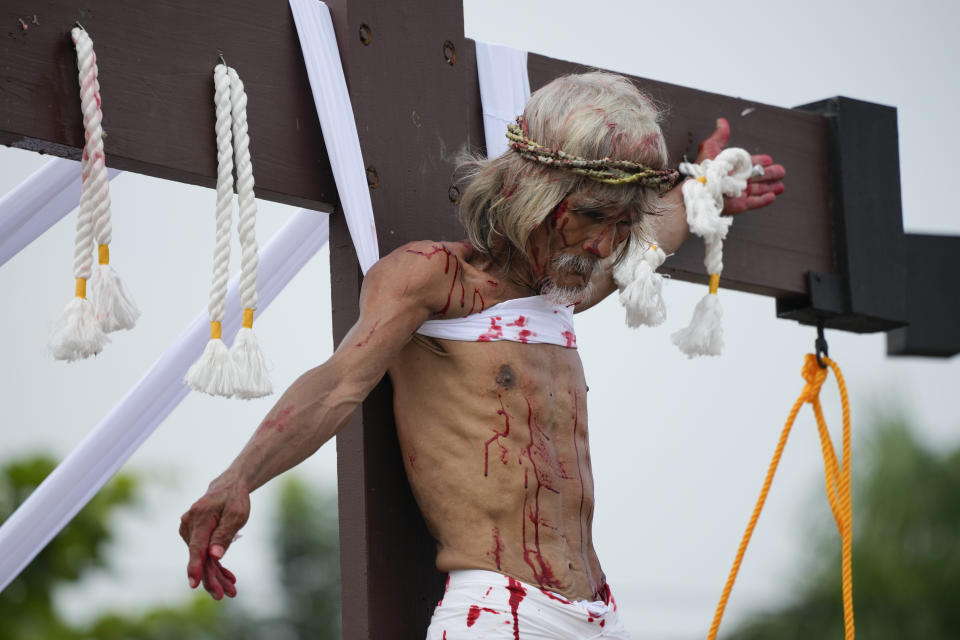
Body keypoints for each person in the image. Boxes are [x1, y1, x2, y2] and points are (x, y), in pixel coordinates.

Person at [179, 71, 785, 638]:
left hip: (600, 616)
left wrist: (706, 189)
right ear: (534, 193)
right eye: (591, 216)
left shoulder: (564, 292)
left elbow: (655, 235)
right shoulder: (437, 280)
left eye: (621, 224)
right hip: (498, 612)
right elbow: (339, 384)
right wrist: (238, 478)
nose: (604, 243)